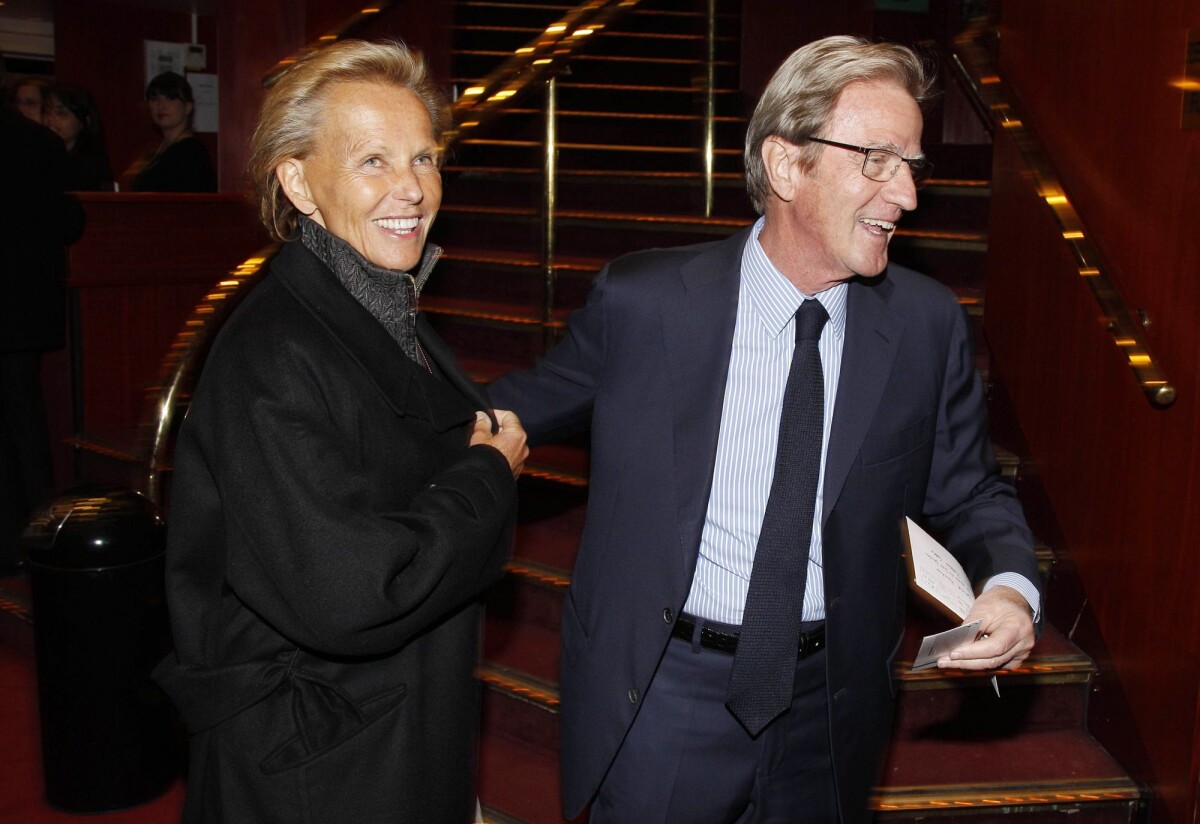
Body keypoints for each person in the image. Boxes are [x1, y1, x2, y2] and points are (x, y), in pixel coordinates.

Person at [488, 35, 1042, 823]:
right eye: (877, 160)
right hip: (666, 694)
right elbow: (516, 409)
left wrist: (1011, 589)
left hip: (833, 703)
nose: (907, 196)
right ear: (787, 166)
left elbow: (969, 489)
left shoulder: (925, 325)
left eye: (912, 166)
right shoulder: (648, 304)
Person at [151, 40, 528, 823]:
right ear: (299, 182)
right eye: (373, 162)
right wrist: (488, 475)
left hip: (386, 731)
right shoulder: (274, 353)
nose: (413, 190)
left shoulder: (376, 305)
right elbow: (353, 592)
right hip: (321, 768)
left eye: (424, 159)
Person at [0, 69, 84, 574]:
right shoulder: (39, 143)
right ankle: (36, 533)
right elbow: (66, 222)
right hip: (25, 305)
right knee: (25, 418)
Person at [125, 71, 216, 192]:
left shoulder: (191, 153)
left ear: (188, 107)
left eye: (170, 98)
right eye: (154, 99)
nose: (161, 105)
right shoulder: (157, 151)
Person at [42, 83, 114, 191]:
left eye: (61, 113)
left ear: (84, 121)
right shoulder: (39, 156)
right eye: (47, 111)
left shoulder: (91, 166)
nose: (50, 119)